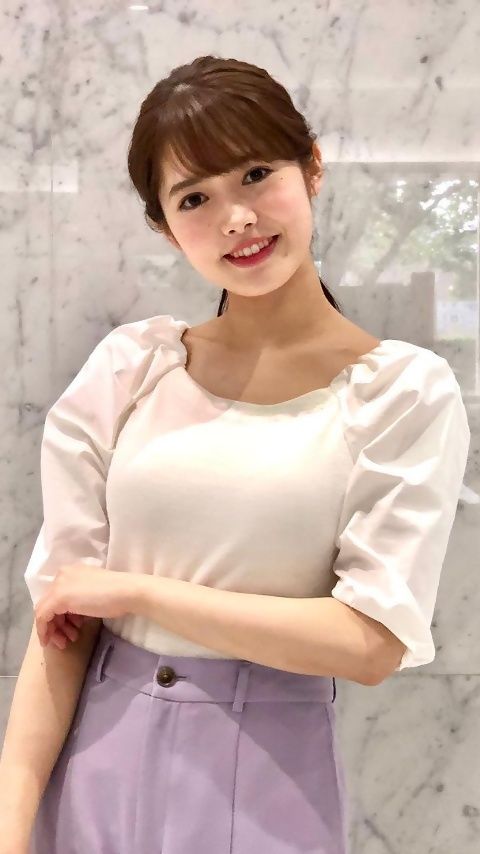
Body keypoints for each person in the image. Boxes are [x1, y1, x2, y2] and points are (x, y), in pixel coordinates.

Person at [2, 56, 470, 854]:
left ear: (311, 167)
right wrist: (11, 827)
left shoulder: (399, 392)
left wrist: (138, 592)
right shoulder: (131, 369)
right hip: (93, 762)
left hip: (263, 777)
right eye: (195, 198)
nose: (236, 219)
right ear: (164, 225)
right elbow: (62, 628)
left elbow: (369, 643)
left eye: (256, 174)